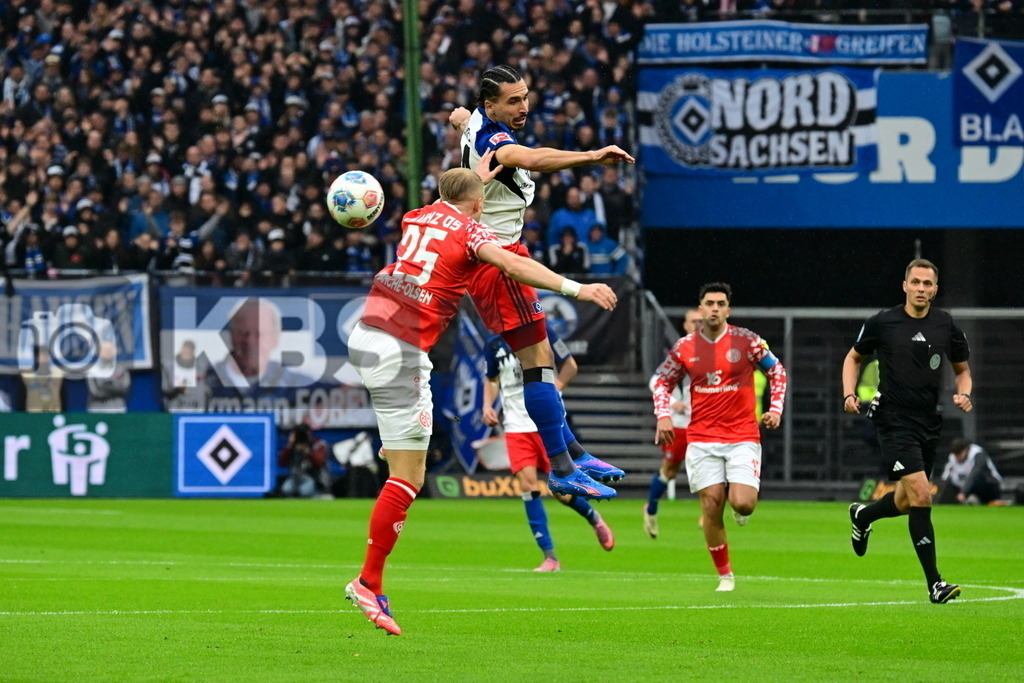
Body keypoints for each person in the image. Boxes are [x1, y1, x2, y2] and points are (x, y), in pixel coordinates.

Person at [344, 167, 618, 636]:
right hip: (401, 348)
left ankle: (395, 441)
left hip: (365, 332)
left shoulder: (417, 215)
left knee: (402, 444)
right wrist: (577, 288)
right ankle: (369, 582)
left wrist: (472, 160)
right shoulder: (473, 229)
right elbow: (512, 265)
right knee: (408, 479)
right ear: (477, 203)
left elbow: (459, 187)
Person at [449, 65, 634, 497]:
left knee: (543, 357)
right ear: (491, 105)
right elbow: (529, 158)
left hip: (498, 252)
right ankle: (564, 467)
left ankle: (574, 454)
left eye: (525, 96)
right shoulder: (499, 142)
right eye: (512, 101)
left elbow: (460, 116)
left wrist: (459, 119)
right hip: (498, 260)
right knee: (537, 363)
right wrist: (590, 157)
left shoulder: (475, 121)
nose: (523, 107)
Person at [842, 258, 973, 604]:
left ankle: (863, 514)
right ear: (904, 286)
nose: (920, 289)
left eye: (927, 284)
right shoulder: (884, 322)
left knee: (904, 500)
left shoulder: (945, 324)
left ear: (935, 289)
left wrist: (964, 392)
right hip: (892, 420)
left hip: (928, 422)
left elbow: (962, 369)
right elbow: (853, 358)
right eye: (915, 282)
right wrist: (849, 393)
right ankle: (935, 584)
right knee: (921, 494)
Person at [651, 283, 787, 592]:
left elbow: (777, 371)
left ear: (728, 309)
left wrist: (775, 409)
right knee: (711, 507)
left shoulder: (748, 341)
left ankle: (740, 509)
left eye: (720, 303)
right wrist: (663, 415)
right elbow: (661, 382)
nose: (714, 308)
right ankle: (725, 575)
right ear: (700, 309)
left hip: (742, 434)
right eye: (709, 303)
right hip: (702, 437)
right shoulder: (685, 347)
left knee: (744, 504)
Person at [482, 322, 614, 572]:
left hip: (546, 424)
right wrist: (487, 405)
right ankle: (551, 558)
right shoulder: (494, 342)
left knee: (560, 491)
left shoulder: (541, 331)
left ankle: (593, 518)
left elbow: (570, 365)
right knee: (528, 486)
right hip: (515, 427)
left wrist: (555, 389)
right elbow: (491, 379)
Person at [644, 307, 702, 539]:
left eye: (701, 320)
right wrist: (672, 403)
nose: (698, 324)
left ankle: (708, 514)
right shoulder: (680, 351)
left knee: (709, 468)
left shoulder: (716, 349)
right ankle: (650, 508)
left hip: (704, 424)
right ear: (685, 325)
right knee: (669, 471)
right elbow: (656, 381)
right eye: (693, 321)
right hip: (680, 424)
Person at [939, 438, 1003, 505]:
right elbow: (945, 477)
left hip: (989, 485)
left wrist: (964, 492)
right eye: (956, 456)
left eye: (959, 455)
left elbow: (975, 472)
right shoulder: (952, 458)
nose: (957, 458)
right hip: (965, 487)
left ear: (965, 450)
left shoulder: (977, 453)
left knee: (978, 477)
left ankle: (982, 499)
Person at [275, 423, 330, 498]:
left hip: (314, 477)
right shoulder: (293, 446)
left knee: (304, 491)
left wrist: (307, 451)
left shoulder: (318, 444)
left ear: (309, 433)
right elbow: (282, 462)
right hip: (296, 476)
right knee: (286, 490)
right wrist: (289, 445)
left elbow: (320, 461)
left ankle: (319, 495)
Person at [86, 341, 131, 413]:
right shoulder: (92, 370)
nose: (108, 352)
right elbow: (95, 392)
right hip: (97, 410)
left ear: (115, 351)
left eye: (110, 350)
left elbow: (125, 389)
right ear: (98, 352)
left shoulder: (121, 369)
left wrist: (105, 387)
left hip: (118, 408)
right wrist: (114, 388)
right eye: (105, 350)